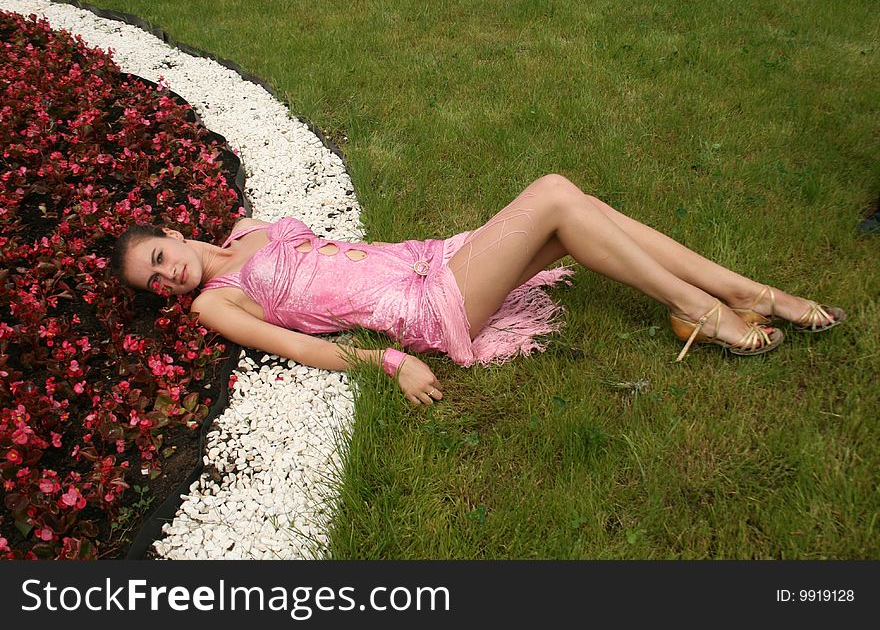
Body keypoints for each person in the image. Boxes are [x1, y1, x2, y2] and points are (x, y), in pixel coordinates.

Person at [111, 174, 845, 405]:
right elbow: (297, 344)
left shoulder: (246, 226)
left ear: (170, 233)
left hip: (429, 260)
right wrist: (391, 364)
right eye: (154, 282)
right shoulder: (217, 301)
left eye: (157, 256)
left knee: (580, 217)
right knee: (556, 194)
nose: (166, 276)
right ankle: (700, 309)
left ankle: (751, 292)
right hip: (420, 306)